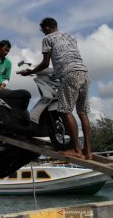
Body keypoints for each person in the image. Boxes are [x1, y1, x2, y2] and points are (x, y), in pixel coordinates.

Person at [20, 17, 91, 160]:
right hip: (84, 73)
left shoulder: (48, 39)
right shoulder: (70, 37)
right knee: (83, 112)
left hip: (69, 74)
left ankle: (77, 149)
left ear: (46, 28)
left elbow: (45, 63)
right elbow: (66, 56)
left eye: (42, 30)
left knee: (65, 110)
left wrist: (29, 72)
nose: (43, 33)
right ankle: (88, 151)